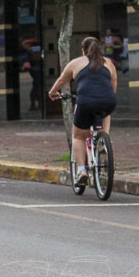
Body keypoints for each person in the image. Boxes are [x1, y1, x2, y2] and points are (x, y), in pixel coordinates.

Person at [47, 36, 118, 188]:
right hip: (108, 101)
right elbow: (113, 86)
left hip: (86, 102)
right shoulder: (109, 63)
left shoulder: (76, 62)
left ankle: (81, 170)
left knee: (78, 136)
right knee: (106, 112)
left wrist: (53, 92)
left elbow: (61, 80)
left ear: (83, 50)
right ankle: (104, 140)